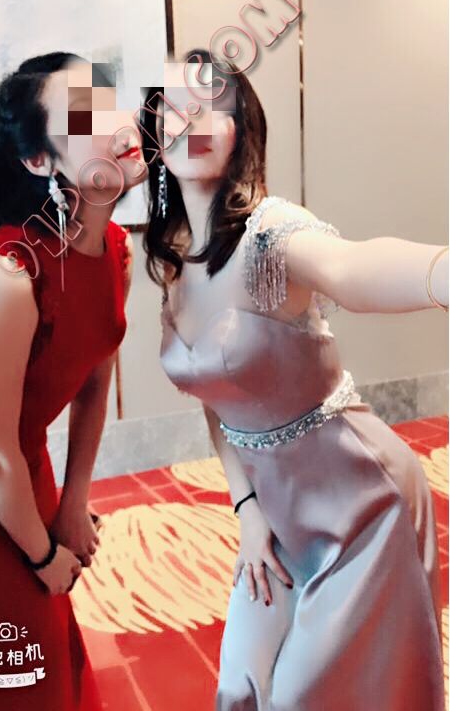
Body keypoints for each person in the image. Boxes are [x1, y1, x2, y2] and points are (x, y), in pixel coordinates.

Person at [140, 49, 448, 710]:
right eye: (173, 105)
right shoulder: (173, 261)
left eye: (211, 105)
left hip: (363, 504)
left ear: (239, 131)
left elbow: (352, 268)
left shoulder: (269, 235)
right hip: (277, 514)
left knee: (307, 697)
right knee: (240, 686)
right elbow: (216, 404)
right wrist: (248, 511)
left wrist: (441, 272)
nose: (190, 117)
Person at [0, 51, 147, 708]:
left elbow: (95, 379)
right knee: (11, 664)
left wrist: (73, 498)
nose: (118, 123)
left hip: (20, 467)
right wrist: (41, 554)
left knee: (50, 653)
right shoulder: (7, 274)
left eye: (110, 102)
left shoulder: (114, 251)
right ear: (40, 161)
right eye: (86, 116)